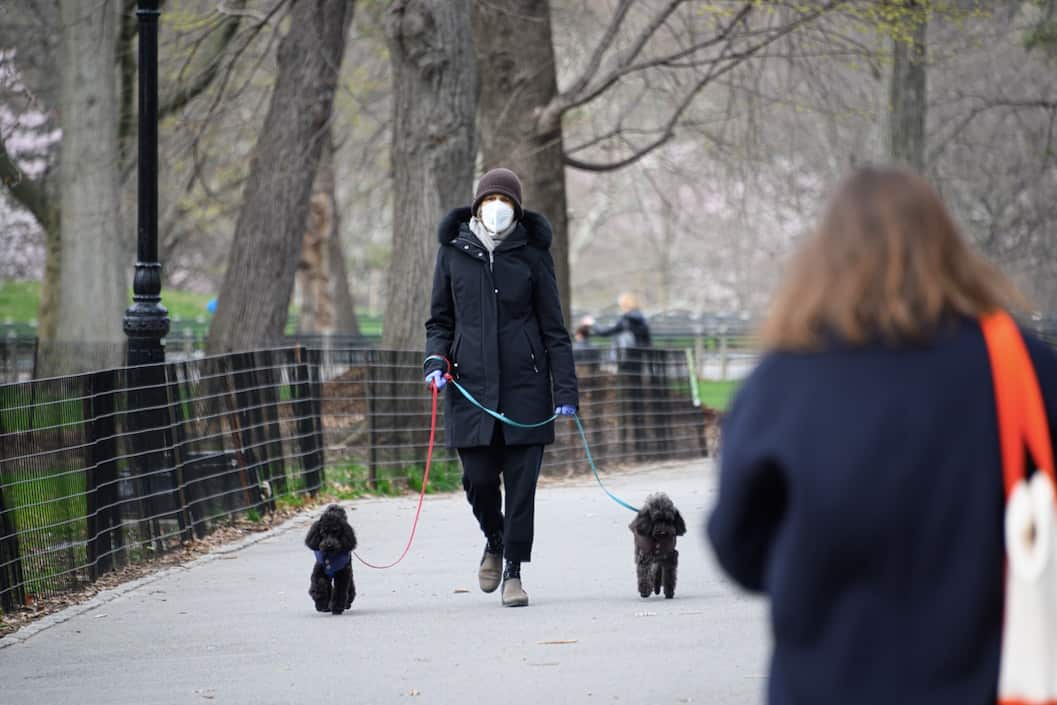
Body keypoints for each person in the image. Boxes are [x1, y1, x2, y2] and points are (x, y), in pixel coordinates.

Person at [706, 166, 1056, 705]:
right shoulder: (1019, 363)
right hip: (990, 677)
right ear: (948, 250)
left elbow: (739, 546)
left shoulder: (785, 379)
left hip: (826, 680)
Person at [423, 167, 579, 608]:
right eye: (490, 201)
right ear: (477, 206)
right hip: (469, 388)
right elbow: (440, 320)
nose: (497, 209)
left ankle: (514, 570)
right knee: (477, 479)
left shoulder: (532, 254)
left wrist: (565, 392)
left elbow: (555, 330)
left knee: (522, 485)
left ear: (516, 208)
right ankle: (494, 537)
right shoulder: (453, 252)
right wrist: (436, 359)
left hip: (525, 390)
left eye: (505, 202)